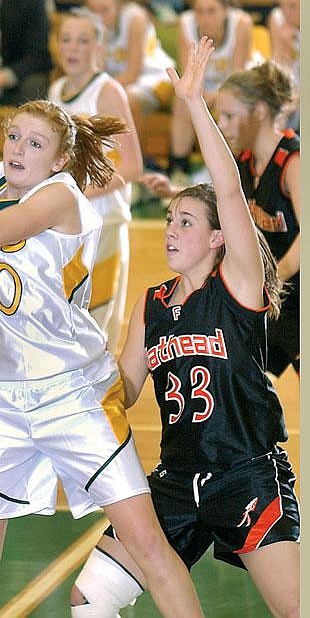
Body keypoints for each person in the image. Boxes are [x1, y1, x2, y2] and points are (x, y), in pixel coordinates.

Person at [0, 82, 204, 614]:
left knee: (145, 546)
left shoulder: (62, 196)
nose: (17, 150)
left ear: (61, 159)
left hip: (73, 397)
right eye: (13, 136)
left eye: (34, 143)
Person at [72, 36, 300, 617]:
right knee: (89, 599)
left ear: (220, 236)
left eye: (187, 221)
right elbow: (124, 387)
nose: (171, 229)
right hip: (176, 480)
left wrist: (195, 104)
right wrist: (81, 397)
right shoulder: (151, 306)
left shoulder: (239, 287)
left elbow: (227, 188)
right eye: (170, 219)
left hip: (246, 474)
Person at [143, 59, 300, 381]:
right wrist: (174, 190)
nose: (223, 125)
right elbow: (224, 199)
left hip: (292, 290)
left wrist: (273, 278)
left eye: (230, 116)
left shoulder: (294, 161)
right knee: (249, 384)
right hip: (277, 297)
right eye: (220, 117)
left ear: (258, 112)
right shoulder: (244, 162)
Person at [49, 7, 143, 352]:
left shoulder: (107, 92)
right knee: (65, 326)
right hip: (63, 225)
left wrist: (79, 192)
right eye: (66, 39)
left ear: (99, 48)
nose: (73, 48)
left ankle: (101, 404)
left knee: (96, 330)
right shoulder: (56, 88)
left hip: (103, 221)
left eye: (84, 40)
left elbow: (132, 166)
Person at [167, 0, 253, 183]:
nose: (205, 18)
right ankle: (178, 170)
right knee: (181, 101)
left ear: (225, 10)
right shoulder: (186, 23)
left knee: (234, 102)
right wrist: (198, 94)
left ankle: (234, 171)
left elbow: (238, 76)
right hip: (203, 87)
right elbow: (188, 73)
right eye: (200, 11)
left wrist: (217, 96)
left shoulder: (241, 23)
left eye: (212, 11)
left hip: (235, 85)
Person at [84, 0, 175, 147]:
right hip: (122, 82)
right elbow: (96, 71)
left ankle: (140, 163)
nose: (98, 17)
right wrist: (101, 39)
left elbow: (133, 73)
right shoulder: (90, 25)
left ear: (118, 6)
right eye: (93, 11)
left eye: (104, 10)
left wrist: (101, 91)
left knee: (126, 99)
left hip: (156, 79)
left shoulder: (135, 18)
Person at [267, 0, 300, 133]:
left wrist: (296, 99)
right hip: (289, 89)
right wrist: (284, 48)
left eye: (292, 6)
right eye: (282, 6)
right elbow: (277, 64)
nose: (286, 13)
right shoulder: (277, 17)